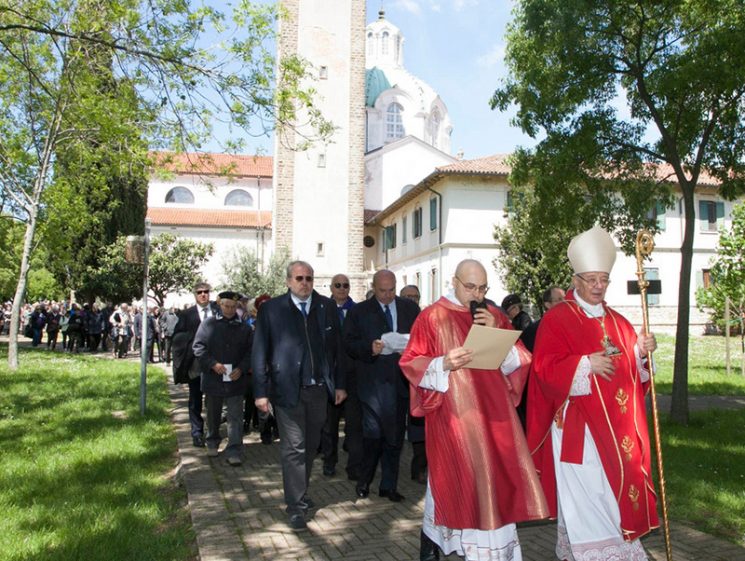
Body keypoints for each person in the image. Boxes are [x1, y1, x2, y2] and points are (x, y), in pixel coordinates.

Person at [400, 259, 548, 561]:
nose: (476, 295)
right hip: (454, 418)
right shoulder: (431, 317)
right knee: (457, 485)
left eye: (482, 288)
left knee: (495, 484)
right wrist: (442, 363)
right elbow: (410, 363)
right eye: (470, 287)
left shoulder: (494, 315)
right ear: (454, 282)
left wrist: (498, 335)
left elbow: (520, 362)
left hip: (495, 417)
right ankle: (433, 545)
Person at [528, 225, 659, 561]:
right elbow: (543, 370)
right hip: (579, 431)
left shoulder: (620, 322)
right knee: (589, 501)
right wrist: (584, 365)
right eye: (591, 280)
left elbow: (634, 377)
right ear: (575, 280)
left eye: (604, 279)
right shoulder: (557, 319)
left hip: (617, 434)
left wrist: (641, 354)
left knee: (611, 496)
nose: (599, 286)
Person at [252, 261, 347, 531]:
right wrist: (260, 392)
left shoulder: (325, 307)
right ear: (288, 281)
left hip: (318, 391)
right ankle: (295, 506)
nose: (304, 283)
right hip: (286, 391)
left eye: (309, 278)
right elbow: (259, 352)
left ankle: (300, 491)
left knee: (310, 447)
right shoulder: (272, 309)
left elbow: (337, 350)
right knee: (294, 447)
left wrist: (339, 385)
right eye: (299, 278)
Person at [344, 270, 420, 503]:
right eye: (382, 291)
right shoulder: (359, 311)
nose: (387, 296)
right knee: (373, 435)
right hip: (372, 385)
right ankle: (364, 480)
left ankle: (389, 486)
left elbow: (422, 338)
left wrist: (410, 347)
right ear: (373, 287)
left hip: (400, 383)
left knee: (395, 438)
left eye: (391, 291)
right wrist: (370, 348)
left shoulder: (410, 309)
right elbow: (348, 344)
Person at [192, 290, 253, 466]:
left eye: (234, 306)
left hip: (235, 380)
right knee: (213, 413)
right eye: (227, 306)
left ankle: (234, 449)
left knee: (235, 416)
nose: (230, 309)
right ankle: (212, 441)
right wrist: (212, 364)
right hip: (213, 378)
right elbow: (198, 347)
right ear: (220, 305)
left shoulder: (244, 328)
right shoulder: (208, 325)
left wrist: (242, 368)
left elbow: (251, 352)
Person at [172, 282, 219, 448]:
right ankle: (197, 432)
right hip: (196, 364)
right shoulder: (186, 314)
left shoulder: (217, 311)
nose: (203, 295)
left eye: (206, 291)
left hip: (216, 364)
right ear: (195, 295)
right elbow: (177, 337)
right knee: (195, 399)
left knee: (214, 399)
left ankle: (213, 431)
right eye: (200, 292)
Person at [320, 273, 357, 477]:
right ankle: (329, 460)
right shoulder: (323, 310)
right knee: (329, 424)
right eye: (338, 285)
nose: (342, 288)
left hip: (353, 374)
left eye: (346, 285)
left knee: (353, 423)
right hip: (331, 375)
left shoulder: (358, 310)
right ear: (331, 287)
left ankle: (354, 463)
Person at [398, 284, 427, 484]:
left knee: (420, 427)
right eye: (407, 296)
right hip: (395, 379)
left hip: (420, 381)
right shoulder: (396, 316)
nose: (411, 300)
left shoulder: (425, 318)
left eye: (415, 297)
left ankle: (419, 468)